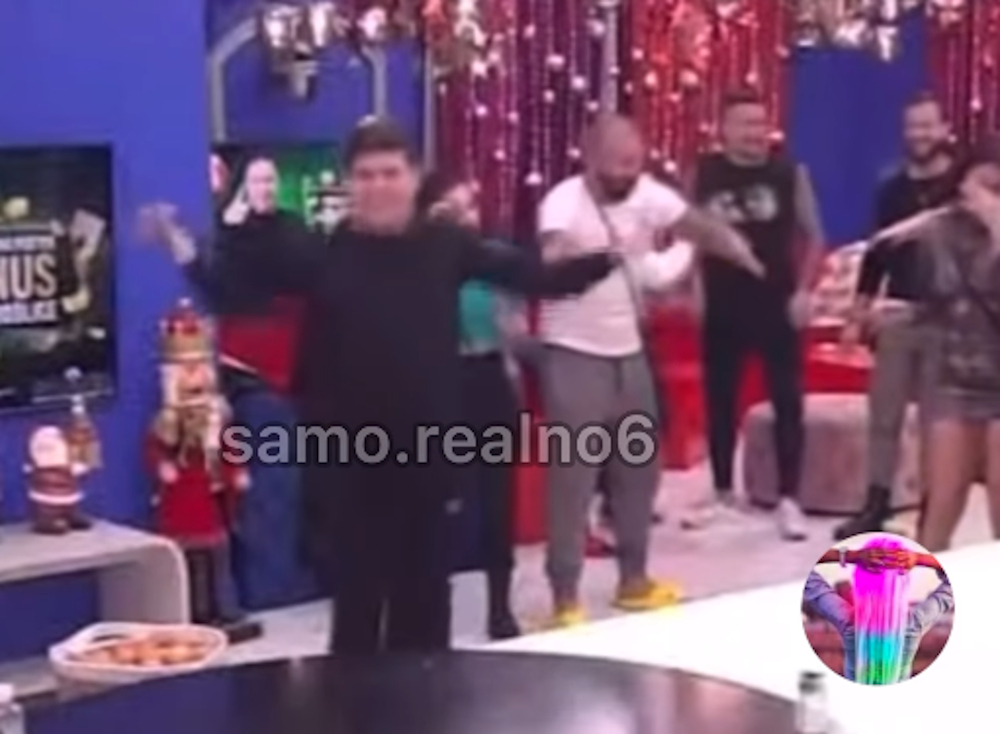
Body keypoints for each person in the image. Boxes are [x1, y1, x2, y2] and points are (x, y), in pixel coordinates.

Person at [143, 119, 620, 655]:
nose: (379, 186)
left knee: (425, 603)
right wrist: (180, 247)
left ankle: (421, 697)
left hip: (427, 452)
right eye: (366, 175)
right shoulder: (323, 253)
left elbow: (531, 275)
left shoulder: (445, 245)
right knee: (358, 607)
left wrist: (607, 259)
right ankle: (354, 701)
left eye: (390, 173)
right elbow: (234, 289)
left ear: (414, 178)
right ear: (349, 183)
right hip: (349, 460)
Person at [537, 113, 764, 628]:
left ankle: (633, 580)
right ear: (589, 158)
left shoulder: (647, 192)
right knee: (573, 479)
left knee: (638, 470)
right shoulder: (563, 201)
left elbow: (695, 225)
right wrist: (566, 255)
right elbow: (551, 252)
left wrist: (737, 249)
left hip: (630, 354)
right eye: (617, 164)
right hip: (574, 354)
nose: (627, 174)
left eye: (634, 164)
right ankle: (564, 597)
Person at [683, 89, 826, 540]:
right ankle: (723, 491)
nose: (755, 133)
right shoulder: (704, 172)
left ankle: (789, 498)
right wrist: (693, 285)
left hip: (775, 300)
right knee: (720, 398)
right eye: (745, 124)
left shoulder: (789, 173)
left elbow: (814, 236)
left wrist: (804, 291)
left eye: (761, 123)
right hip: (722, 299)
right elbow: (689, 233)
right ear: (723, 130)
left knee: (787, 399)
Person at [835, 94, 957, 540]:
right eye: (912, 127)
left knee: (936, 422)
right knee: (883, 415)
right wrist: (859, 310)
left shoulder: (962, 187)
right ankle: (875, 503)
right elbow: (877, 253)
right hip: (898, 315)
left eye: (927, 126)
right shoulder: (891, 190)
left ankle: (932, 508)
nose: (919, 135)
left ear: (944, 129)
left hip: (948, 321)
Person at [415, 171, 523, 640]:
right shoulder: (414, 262)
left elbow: (516, 330)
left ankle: (500, 608)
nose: (466, 218)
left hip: (491, 381)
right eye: (452, 210)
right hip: (441, 385)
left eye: (471, 207)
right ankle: (431, 609)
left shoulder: (493, 260)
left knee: (499, 503)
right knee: (441, 504)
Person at [883, 136, 1000, 552]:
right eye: (981, 185)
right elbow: (937, 297)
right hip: (955, 377)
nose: (985, 197)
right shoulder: (940, 233)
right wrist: (906, 313)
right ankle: (925, 585)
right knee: (941, 503)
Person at [803, 537, 953, 684]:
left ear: (860, 579)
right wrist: (919, 558)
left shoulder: (848, 620)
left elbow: (807, 575)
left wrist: (850, 556)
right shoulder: (914, 622)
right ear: (902, 583)